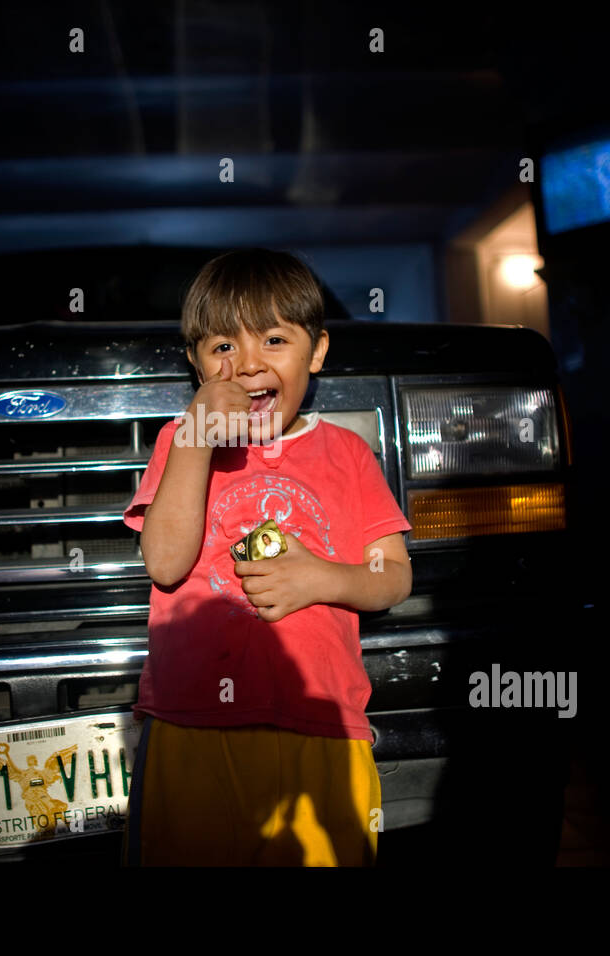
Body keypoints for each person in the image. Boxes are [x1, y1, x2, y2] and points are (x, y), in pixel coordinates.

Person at [120, 248, 413, 866]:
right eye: (222, 347)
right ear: (197, 366)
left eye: (274, 339)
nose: (248, 364)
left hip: (321, 725)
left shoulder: (349, 454)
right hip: (192, 724)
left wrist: (321, 578)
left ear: (318, 352)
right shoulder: (183, 441)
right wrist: (196, 438)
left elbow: (393, 577)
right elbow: (165, 564)